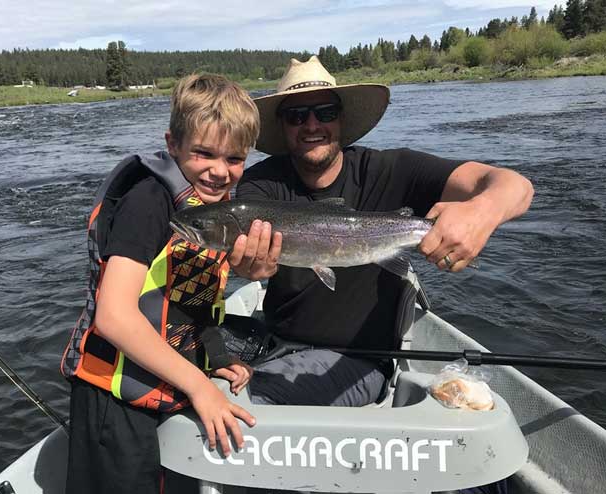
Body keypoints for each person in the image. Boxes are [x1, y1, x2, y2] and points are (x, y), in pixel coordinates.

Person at [230, 57, 532, 494]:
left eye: (325, 112)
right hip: (275, 341)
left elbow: (513, 186)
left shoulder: (394, 168)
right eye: (297, 115)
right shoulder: (259, 188)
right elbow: (244, 262)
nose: (312, 124)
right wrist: (246, 268)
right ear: (283, 126)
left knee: (244, 411)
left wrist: (479, 214)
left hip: (359, 360)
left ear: (342, 119)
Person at [60, 74, 261, 494]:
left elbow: (193, 297)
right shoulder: (148, 203)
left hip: (168, 389)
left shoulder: (209, 209)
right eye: (204, 153)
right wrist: (200, 386)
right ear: (173, 145)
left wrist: (215, 356)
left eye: (235, 159)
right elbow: (113, 316)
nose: (219, 172)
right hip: (114, 406)